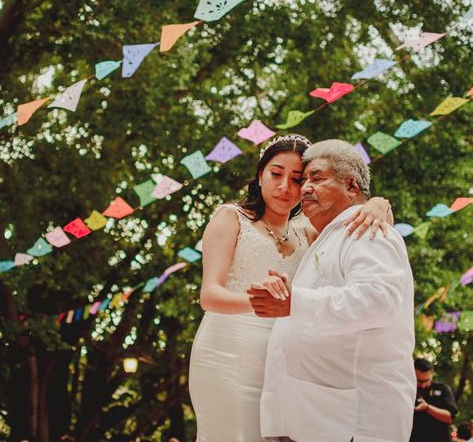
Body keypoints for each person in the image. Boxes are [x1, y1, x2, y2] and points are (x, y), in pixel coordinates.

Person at [189, 134, 393, 441]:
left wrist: (379, 203)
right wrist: (264, 300)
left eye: (297, 179)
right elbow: (209, 296)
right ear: (260, 175)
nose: (285, 187)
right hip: (226, 350)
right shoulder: (231, 217)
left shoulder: (307, 231)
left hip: (279, 359)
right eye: (275, 174)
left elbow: (358, 221)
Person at [248, 139, 415, 442]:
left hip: (348, 422)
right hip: (313, 419)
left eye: (317, 178)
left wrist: (293, 303)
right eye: (305, 180)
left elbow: (378, 301)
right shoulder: (329, 236)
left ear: (351, 187)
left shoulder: (368, 230)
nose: (304, 188)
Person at [410, 357, 458, 442]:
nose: (423, 385)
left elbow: (449, 417)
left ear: (431, 374)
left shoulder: (443, 389)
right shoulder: (408, 389)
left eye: (426, 380)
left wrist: (427, 408)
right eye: (419, 381)